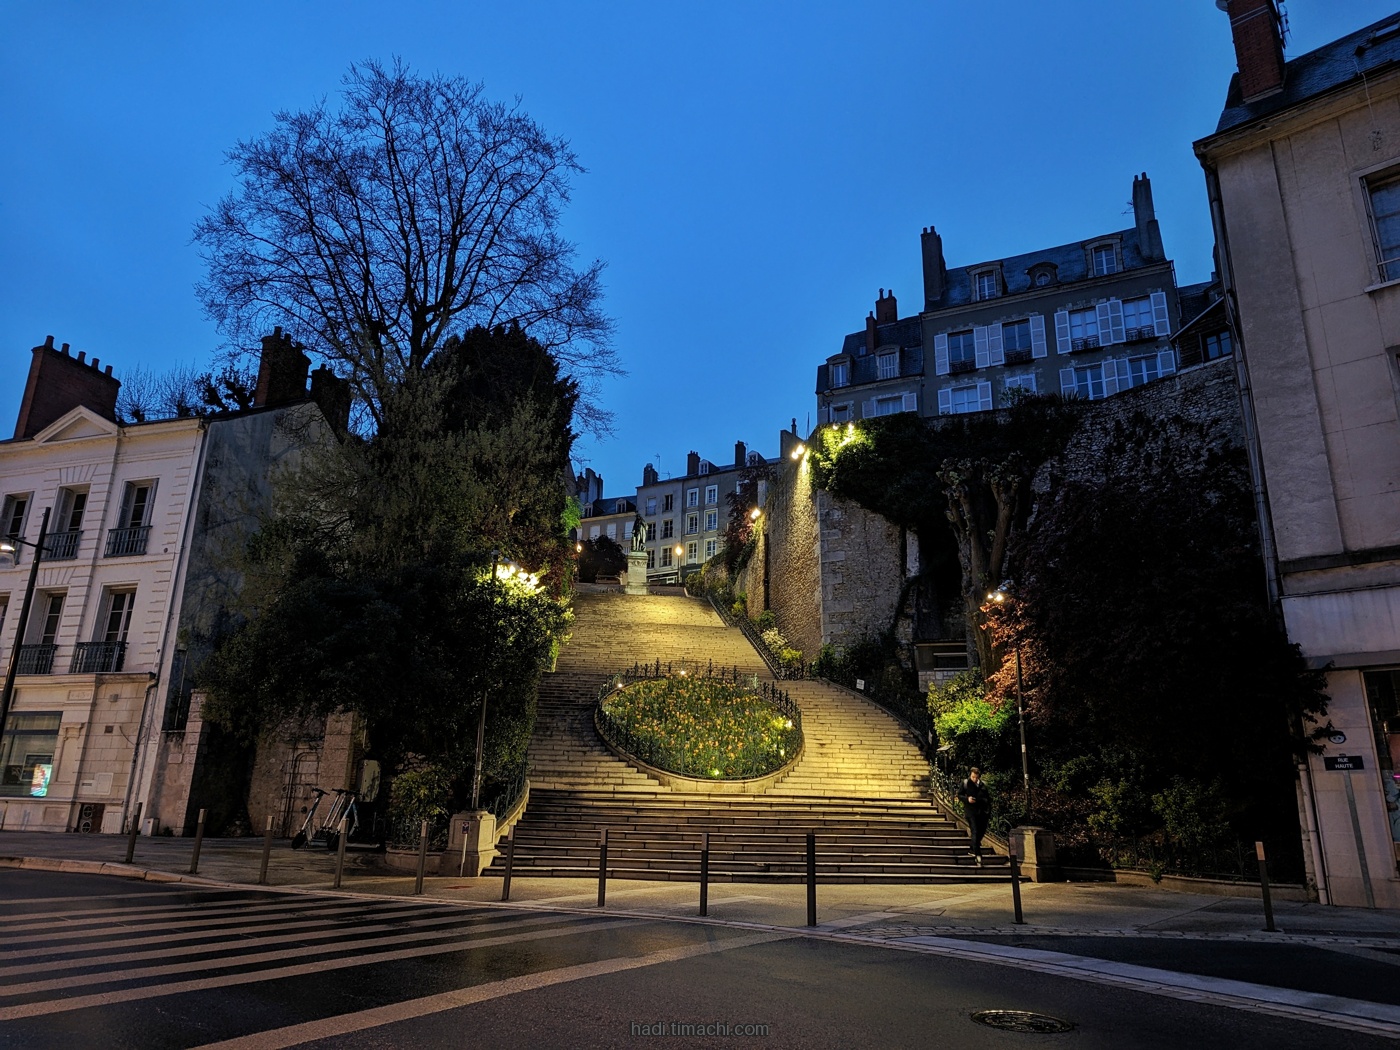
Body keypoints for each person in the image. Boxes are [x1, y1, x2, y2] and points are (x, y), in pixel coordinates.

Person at [961, 767, 991, 863]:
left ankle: (972, 848)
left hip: (981, 812)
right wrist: (967, 799)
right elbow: (959, 794)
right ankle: (978, 854)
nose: (974, 779)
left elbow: (987, 798)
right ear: (970, 775)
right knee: (975, 830)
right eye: (973, 777)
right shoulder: (966, 783)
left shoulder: (983, 785)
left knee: (981, 832)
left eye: (976, 777)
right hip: (970, 812)